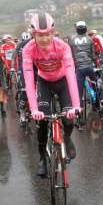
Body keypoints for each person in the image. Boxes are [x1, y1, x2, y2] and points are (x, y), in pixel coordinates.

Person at [22, 11, 80, 177]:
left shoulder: (63, 47)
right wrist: (34, 109)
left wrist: (76, 105)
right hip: (44, 82)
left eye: (48, 34)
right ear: (34, 34)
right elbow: (28, 79)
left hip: (62, 81)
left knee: (69, 118)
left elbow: (71, 75)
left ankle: (67, 138)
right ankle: (42, 158)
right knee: (42, 123)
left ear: (53, 32)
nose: (45, 39)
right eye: (40, 35)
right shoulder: (28, 49)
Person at [69, 21, 96, 128]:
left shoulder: (71, 40)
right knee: (95, 85)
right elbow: (93, 55)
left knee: (78, 93)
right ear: (85, 28)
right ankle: (97, 103)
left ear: (77, 29)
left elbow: (70, 56)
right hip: (89, 66)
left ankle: (80, 118)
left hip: (79, 68)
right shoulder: (90, 39)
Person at [11, 31, 33, 125]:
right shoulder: (19, 45)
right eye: (25, 41)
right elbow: (13, 56)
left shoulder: (34, 45)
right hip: (22, 70)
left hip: (33, 69)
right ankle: (22, 115)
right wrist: (12, 67)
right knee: (23, 92)